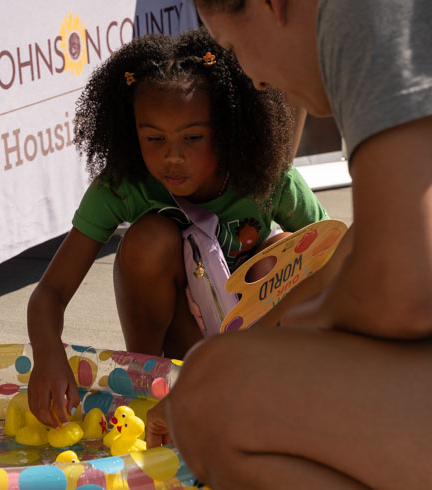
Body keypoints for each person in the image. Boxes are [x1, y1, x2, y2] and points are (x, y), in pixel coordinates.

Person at [146, 1, 432, 490]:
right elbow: (355, 256)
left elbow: (402, 295)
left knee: (211, 404)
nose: (255, 80)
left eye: (237, 49)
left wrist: (273, 350)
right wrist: (254, 346)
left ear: (273, 5)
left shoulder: (365, 13)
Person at [27, 28, 328, 428]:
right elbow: (50, 291)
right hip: (181, 350)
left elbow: (336, 255)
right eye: (153, 138)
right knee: (149, 238)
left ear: (228, 128)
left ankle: (272, 387)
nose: (172, 157)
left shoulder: (269, 179)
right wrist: (48, 353)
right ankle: (147, 385)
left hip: (257, 348)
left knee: (292, 250)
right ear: (130, 131)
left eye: (193, 137)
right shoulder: (122, 187)